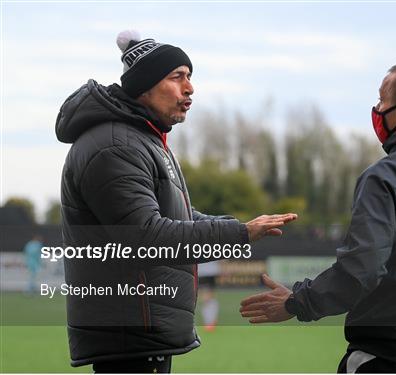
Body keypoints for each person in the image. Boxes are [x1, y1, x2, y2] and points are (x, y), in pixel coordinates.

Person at [55, 30, 297, 373]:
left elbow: (178, 216)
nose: (190, 88)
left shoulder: (140, 139)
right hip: (130, 338)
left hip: (140, 337)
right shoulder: (115, 146)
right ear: (145, 86)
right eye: (177, 77)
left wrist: (240, 228)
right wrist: (239, 234)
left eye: (190, 77)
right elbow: (148, 238)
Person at [240, 61, 396, 373]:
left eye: (381, 101)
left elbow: (362, 269)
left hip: (391, 357)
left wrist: (296, 302)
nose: (376, 109)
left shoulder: (386, 176)